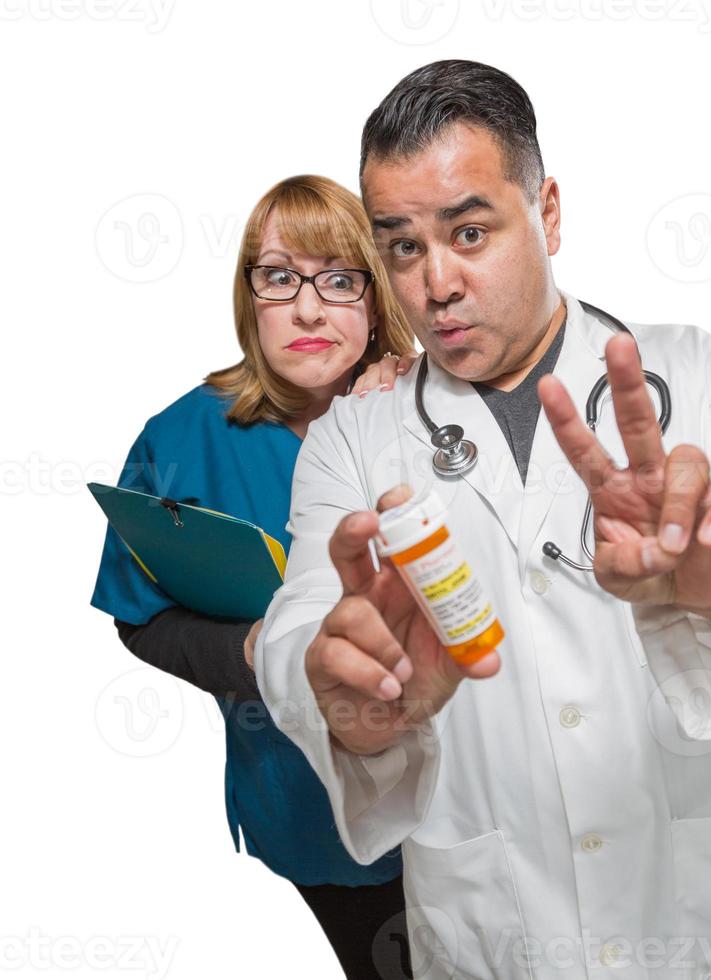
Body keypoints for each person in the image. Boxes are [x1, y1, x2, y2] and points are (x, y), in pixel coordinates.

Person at [255, 62, 711, 979]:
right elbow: (302, 631)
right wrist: (353, 702)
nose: (435, 283)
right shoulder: (353, 443)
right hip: (495, 938)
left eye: (470, 232)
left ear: (546, 212)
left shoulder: (704, 378)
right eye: (400, 248)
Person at [90, 175, 418, 980]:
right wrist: (249, 651)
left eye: (339, 279)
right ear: (250, 297)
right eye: (279, 276)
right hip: (310, 807)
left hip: (477, 797)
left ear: (375, 298)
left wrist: (420, 385)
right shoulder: (182, 437)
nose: (308, 308)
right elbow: (140, 618)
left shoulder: (434, 404)